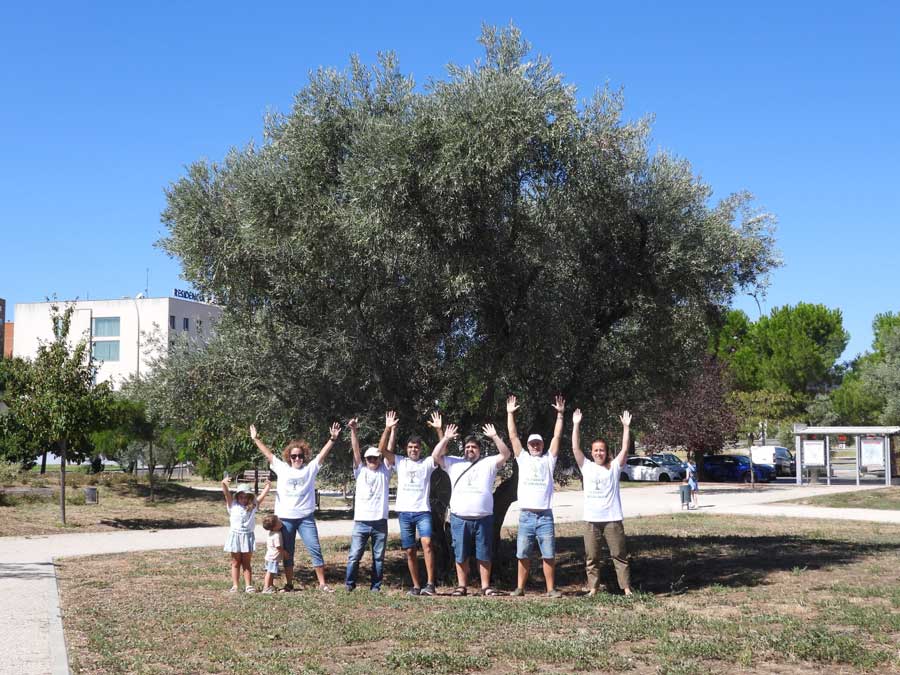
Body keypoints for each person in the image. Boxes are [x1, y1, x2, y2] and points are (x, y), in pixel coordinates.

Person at [250, 422, 340, 592]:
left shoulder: (310, 469)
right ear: (289, 457)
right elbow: (268, 454)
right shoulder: (282, 468)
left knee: (315, 548)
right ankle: (289, 584)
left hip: (306, 518)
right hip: (285, 519)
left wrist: (332, 439)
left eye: (300, 456)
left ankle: (322, 584)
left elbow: (322, 455)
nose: (297, 459)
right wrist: (256, 439)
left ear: (304, 456)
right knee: (287, 552)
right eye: (293, 456)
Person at [432, 419, 511, 596]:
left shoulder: (489, 463)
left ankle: (485, 586)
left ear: (479, 450)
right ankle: (462, 586)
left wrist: (495, 436)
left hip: (483, 518)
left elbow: (506, 454)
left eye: (473, 447)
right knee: (461, 553)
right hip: (460, 518)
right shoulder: (454, 463)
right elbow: (435, 456)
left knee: (484, 553)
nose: (470, 449)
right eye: (467, 447)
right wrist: (445, 438)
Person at [507, 394, 565, 598]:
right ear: (528, 445)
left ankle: (550, 589)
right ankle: (520, 588)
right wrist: (510, 414)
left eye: (538, 443)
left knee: (548, 554)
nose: (535, 446)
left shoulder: (549, 460)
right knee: (522, 554)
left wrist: (560, 415)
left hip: (545, 516)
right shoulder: (522, 458)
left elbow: (557, 437)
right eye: (532, 444)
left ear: (542, 445)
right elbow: (513, 437)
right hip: (526, 516)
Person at [571, 408, 633, 596]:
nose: (599, 453)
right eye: (596, 450)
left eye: (602, 450)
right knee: (592, 557)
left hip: (612, 518)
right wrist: (576, 424)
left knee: (619, 555)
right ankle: (593, 589)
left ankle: (626, 589)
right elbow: (575, 448)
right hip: (591, 520)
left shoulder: (614, 467)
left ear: (606, 452)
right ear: (591, 452)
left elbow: (624, 449)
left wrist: (626, 427)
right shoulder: (586, 466)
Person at [379, 411, 439, 596]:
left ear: (421, 449)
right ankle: (416, 586)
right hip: (404, 513)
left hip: (422, 512)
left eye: (416, 447)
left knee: (427, 543)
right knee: (410, 550)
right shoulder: (400, 461)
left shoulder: (427, 463)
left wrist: (439, 430)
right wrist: (388, 428)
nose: (413, 450)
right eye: (411, 447)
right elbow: (382, 450)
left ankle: (430, 584)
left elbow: (441, 452)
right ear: (407, 448)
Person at [345, 416, 393, 591]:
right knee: (354, 556)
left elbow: (388, 449)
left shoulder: (385, 471)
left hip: (380, 522)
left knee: (378, 558)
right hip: (361, 522)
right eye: (369, 458)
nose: (372, 460)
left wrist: (390, 429)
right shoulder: (360, 471)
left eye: (375, 458)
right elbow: (355, 450)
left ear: (379, 459)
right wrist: (353, 430)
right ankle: (349, 584)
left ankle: (376, 586)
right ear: (365, 460)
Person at [222, 476, 272, 593]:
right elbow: (226, 494)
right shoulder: (233, 505)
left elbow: (261, 496)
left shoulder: (253, 506)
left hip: (248, 536)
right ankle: (235, 585)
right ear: (237, 496)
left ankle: (248, 585)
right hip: (235, 536)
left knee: (246, 562)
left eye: (246, 497)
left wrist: (268, 486)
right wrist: (223, 484)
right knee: (235, 562)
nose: (243, 499)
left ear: (249, 497)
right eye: (241, 496)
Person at [261, 514, 286, 593]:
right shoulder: (276, 535)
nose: (280, 522)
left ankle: (270, 585)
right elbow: (278, 546)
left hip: (269, 557)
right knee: (270, 572)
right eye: (278, 522)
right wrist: (284, 552)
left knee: (270, 572)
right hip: (273, 558)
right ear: (274, 527)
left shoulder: (272, 533)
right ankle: (266, 588)